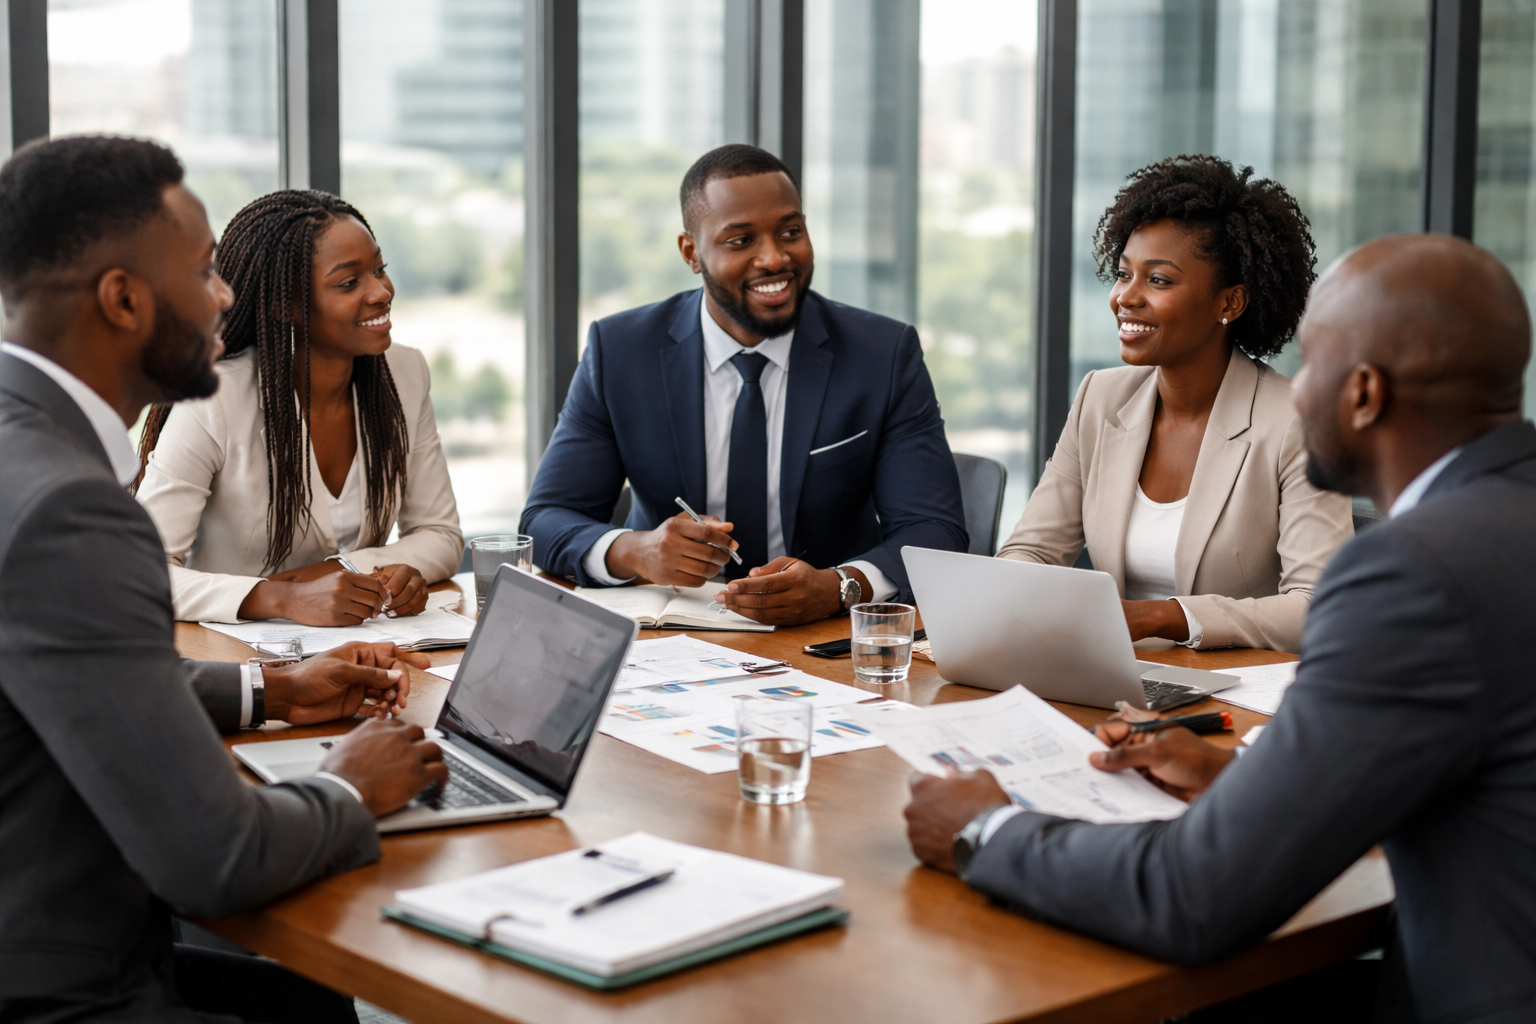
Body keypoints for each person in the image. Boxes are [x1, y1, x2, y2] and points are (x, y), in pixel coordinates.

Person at [903, 233, 1536, 1021]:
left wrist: (986, 830)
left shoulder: (1413, 575)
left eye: (1313, 364)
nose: (1295, 391)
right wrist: (1237, 778)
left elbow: (1194, 895)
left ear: (1364, 394)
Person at [0, 135, 449, 1023]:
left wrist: (269, 689)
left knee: (319, 1006)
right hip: (59, 987)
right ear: (123, 299)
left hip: (66, 942)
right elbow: (217, 858)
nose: (226, 297)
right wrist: (352, 783)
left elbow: (74, 674)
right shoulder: (67, 509)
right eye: (205, 271)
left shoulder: (25, 448)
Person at [519, 144, 967, 626]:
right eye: (740, 241)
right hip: (672, 638)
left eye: (790, 232)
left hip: (824, 637)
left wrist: (841, 586)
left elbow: (933, 531)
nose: (774, 258)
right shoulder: (621, 351)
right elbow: (545, 520)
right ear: (692, 252)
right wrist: (637, 550)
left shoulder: (882, 353)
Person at [998, 156, 1353, 652]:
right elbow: (1033, 550)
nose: (1127, 297)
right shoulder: (1100, 397)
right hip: (1112, 678)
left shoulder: (1296, 421)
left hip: (1231, 697)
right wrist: (1004, 595)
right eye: (1124, 275)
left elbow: (1318, 606)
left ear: (1229, 303)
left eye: (1158, 280)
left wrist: (1163, 618)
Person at [136, 190, 463, 625]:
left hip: (361, 650)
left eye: (379, 269)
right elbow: (141, 573)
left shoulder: (405, 372)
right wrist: (281, 598)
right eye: (349, 282)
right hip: (234, 664)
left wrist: (347, 572)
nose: (382, 292)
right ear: (284, 304)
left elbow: (440, 534)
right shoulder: (214, 399)